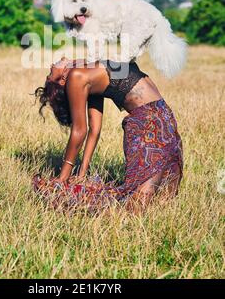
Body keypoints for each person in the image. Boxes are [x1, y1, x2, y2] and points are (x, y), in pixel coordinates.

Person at [33, 57, 183, 213]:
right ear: (62, 80)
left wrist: (82, 173)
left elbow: (95, 130)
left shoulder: (89, 70)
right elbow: (81, 130)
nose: (52, 64)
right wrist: (63, 178)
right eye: (51, 72)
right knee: (139, 205)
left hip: (161, 121)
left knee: (162, 201)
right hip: (151, 125)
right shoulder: (77, 76)